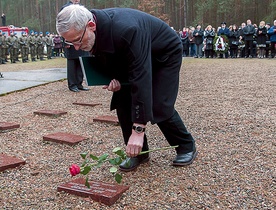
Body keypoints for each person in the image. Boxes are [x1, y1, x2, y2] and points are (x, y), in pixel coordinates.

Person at [56, 4, 197, 171]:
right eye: (70, 43)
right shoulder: (89, 30)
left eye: (77, 40)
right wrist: (110, 78)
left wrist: (138, 130)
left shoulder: (128, 29)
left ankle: (186, 146)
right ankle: (139, 152)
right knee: (122, 99)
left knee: (158, 103)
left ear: (91, 26)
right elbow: (107, 56)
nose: (77, 48)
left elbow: (141, 77)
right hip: (131, 55)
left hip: (163, 54)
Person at [61, 0, 89, 92]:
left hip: (81, 38)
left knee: (81, 61)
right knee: (72, 62)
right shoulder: (66, 8)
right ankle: (72, 84)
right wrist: (65, 41)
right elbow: (62, 26)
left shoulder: (82, 8)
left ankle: (79, 83)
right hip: (71, 39)